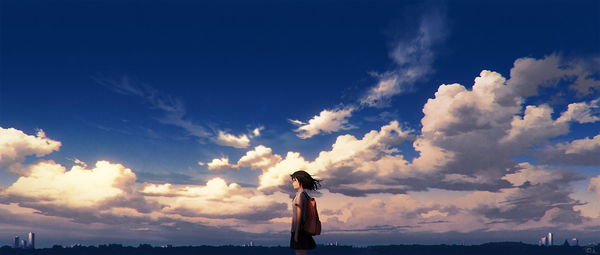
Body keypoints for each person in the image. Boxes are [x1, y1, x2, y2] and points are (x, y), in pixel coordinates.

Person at [290, 170, 321, 255]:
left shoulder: (300, 195)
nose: (293, 183)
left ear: (301, 182)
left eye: (295, 180)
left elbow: (298, 214)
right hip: (303, 229)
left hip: (299, 229)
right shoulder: (305, 195)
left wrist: (296, 232)